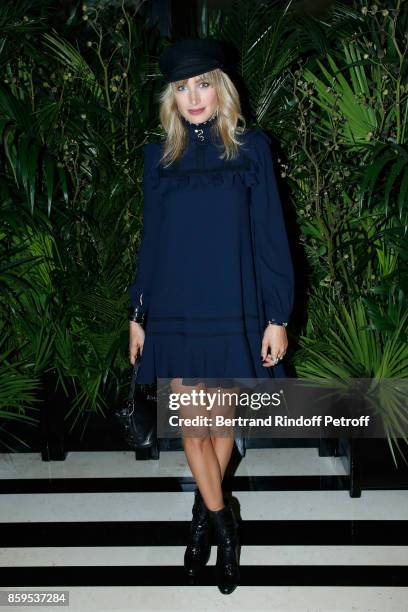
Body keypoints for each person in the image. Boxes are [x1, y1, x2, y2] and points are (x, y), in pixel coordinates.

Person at [128, 38, 294, 595]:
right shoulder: (160, 158)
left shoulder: (251, 150)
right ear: (171, 99)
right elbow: (151, 241)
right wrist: (138, 311)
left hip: (234, 305)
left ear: (220, 88)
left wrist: (277, 314)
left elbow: (271, 235)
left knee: (218, 425)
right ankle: (226, 527)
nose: (193, 96)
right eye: (182, 87)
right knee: (193, 430)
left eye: (202, 84)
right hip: (176, 308)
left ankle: (204, 516)